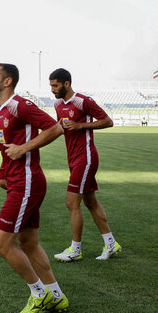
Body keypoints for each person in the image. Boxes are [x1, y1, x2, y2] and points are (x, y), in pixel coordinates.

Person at [0, 63, 68, 313]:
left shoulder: (19, 105)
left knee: (1, 243)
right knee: (28, 242)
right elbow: (9, 147)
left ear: (7, 81)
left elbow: (56, 127)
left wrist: (24, 149)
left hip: (27, 181)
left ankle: (39, 294)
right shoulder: (0, 110)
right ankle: (56, 295)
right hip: (19, 181)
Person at [48, 68, 121, 261]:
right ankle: (111, 243)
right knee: (90, 201)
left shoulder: (83, 101)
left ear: (66, 84)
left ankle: (75, 250)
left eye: (55, 85)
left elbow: (108, 121)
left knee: (72, 203)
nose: (52, 89)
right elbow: (58, 128)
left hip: (86, 157)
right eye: (51, 86)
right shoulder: (57, 104)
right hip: (73, 158)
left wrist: (81, 125)